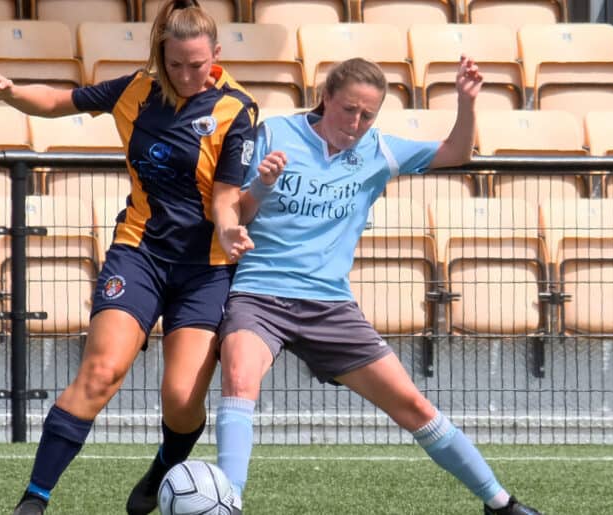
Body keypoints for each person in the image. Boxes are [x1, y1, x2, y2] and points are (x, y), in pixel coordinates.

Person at [211, 56, 542, 515]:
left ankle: (500, 503)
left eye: (368, 115)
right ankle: (228, 504)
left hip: (330, 304)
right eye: (349, 110)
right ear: (326, 97)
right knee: (239, 380)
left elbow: (455, 152)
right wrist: (263, 186)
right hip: (260, 293)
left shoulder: (379, 149)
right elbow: (239, 214)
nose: (357, 123)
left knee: (414, 407)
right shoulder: (274, 134)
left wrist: (466, 103)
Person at [0, 1, 257, 513]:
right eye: (176, 64)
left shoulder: (237, 109)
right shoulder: (135, 89)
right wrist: (12, 93)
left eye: (197, 64)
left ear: (215, 54)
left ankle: (163, 469)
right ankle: (34, 499)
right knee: (102, 371)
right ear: (160, 56)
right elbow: (60, 100)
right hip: (139, 252)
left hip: (207, 270)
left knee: (180, 399)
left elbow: (225, 195)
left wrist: (230, 226)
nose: (187, 74)